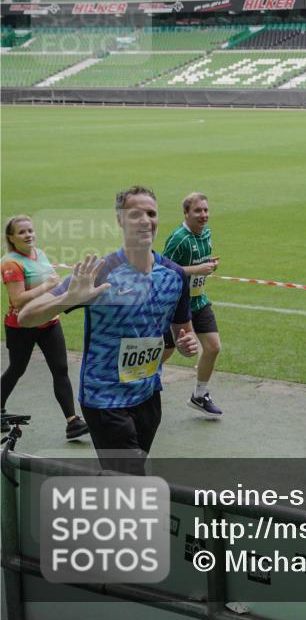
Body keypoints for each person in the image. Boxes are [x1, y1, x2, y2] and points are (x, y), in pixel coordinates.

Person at [19, 186, 199, 474]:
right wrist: (68, 299)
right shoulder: (100, 272)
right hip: (104, 399)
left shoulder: (174, 275)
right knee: (130, 480)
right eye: (135, 214)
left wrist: (188, 344)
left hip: (148, 395)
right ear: (119, 220)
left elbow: (183, 332)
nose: (144, 221)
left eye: (151, 214)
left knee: (127, 477)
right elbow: (26, 316)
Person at [1, 215, 89, 439]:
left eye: (30, 230)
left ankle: (72, 422)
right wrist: (49, 285)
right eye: (22, 232)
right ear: (11, 237)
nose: (28, 235)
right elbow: (18, 299)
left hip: (49, 321)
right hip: (22, 325)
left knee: (60, 369)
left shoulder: (39, 253)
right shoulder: (11, 262)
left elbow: (51, 280)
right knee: (17, 369)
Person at [161, 192, 223, 418]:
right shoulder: (179, 239)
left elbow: (198, 265)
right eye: (198, 211)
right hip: (176, 304)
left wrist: (209, 265)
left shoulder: (206, 234)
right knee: (167, 350)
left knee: (214, 347)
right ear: (186, 213)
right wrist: (197, 269)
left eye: (206, 210)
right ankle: (141, 380)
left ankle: (199, 395)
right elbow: (163, 270)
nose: (204, 215)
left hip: (198, 300)